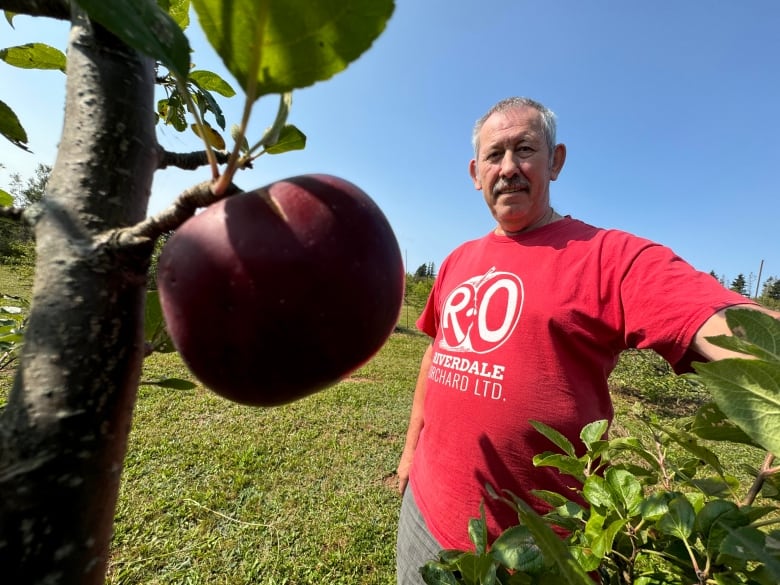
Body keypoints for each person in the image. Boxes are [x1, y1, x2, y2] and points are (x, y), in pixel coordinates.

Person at [395, 96, 780, 584]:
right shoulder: (457, 260)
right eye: (495, 155)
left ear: (555, 161)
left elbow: (712, 313)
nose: (509, 168)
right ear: (475, 172)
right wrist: (409, 454)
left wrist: (768, 357)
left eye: (525, 149)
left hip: (544, 552)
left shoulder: (607, 257)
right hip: (426, 515)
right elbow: (435, 354)